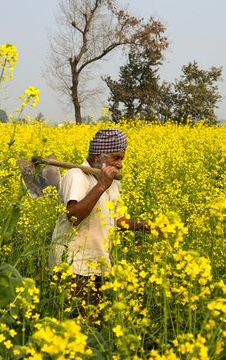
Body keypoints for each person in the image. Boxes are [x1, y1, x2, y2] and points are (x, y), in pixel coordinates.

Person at [48, 128, 148, 317]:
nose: (120, 165)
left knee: (93, 322)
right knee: (75, 322)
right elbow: (74, 216)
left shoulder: (111, 182)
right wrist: (101, 185)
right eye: (116, 158)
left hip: (97, 261)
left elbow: (118, 220)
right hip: (72, 263)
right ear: (98, 157)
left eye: (122, 159)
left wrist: (149, 226)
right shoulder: (76, 176)